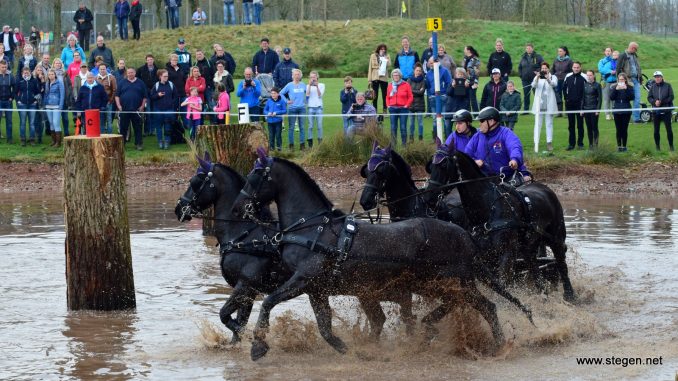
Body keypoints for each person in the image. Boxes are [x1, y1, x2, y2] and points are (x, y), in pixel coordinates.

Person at [465, 106, 530, 180]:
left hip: (507, 177)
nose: (479, 124)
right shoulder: (477, 136)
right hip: (484, 178)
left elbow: (514, 147)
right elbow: (466, 154)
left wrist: (514, 159)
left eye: (482, 121)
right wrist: (474, 162)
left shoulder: (506, 133)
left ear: (491, 121)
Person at [115, 67, 147, 150]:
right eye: (128, 73)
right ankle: (122, 145)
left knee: (138, 128)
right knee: (123, 128)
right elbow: (117, 96)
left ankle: (138, 144)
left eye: (132, 72)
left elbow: (144, 97)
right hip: (124, 110)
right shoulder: (122, 83)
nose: (130, 74)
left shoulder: (141, 83)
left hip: (136, 110)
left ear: (135, 73)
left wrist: (142, 106)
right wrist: (119, 106)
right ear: (127, 73)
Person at [531, 62, 558, 153]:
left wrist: (548, 79)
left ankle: (549, 142)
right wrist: (537, 77)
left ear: (548, 69)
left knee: (549, 124)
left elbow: (554, 84)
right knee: (537, 124)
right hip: (539, 104)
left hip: (548, 104)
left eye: (545, 68)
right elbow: (533, 85)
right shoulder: (537, 77)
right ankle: (536, 142)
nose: (544, 70)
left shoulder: (552, 77)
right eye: (542, 68)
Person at [150, 69, 179, 149]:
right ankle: (160, 141)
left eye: (167, 76)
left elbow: (176, 96)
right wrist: (157, 95)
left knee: (168, 126)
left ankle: (167, 142)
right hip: (158, 109)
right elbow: (151, 97)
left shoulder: (171, 84)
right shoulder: (156, 85)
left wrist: (173, 105)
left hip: (169, 109)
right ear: (160, 77)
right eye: (165, 76)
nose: (166, 77)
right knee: (158, 127)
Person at [647, 71, 674, 151]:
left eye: (658, 77)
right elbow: (649, 97)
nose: (657, 78)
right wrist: (654, 102)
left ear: (662, 77)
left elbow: (671, 97)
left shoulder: (668, 85)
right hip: (656, 111)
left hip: (666, 111)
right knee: (656, 130)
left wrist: (662, 102)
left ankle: (671, 146)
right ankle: (657, 147)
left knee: (669, 129)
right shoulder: (653, 86)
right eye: (655, 77)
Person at [425, 56, 452, 139]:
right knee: (435, 120)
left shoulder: (444, 71)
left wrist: (446, 94)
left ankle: (447, 138)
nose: (430, 64)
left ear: (436, 62)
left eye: (432, 62)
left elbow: (449, 83)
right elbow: (428, 86)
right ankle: (435, 139)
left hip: (443, 97)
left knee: (445, 119)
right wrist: (430, 96)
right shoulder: (428, 73)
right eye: (429, 62)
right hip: (433, 98)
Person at [279, 68, 305, 150]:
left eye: (298, 75)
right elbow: (281, 93)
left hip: (302, 108)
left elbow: (308, 93)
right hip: (292, 108)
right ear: (292, 76)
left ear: (300, 76)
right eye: (295, 74)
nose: (296, 76)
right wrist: (286, 101)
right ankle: (291, 145)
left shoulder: (303, 85)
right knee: (291, 127)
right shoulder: (289, 85)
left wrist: (306, 101)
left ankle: (302, 145)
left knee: (302, 127)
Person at [563, 61, 587, 150]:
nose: (576, 69)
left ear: (580, 68)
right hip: (570, 104)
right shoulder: (568, 77)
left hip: (580, 105)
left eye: (577, 67)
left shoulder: (584, 77)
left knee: (580, 125)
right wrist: (566, 99)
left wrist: (583, 103)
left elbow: (587, 90)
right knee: (571, 125)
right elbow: (564, 89)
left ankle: (580, 143)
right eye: (574, 67)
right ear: (572, 68)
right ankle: (571, 144)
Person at [616, 42, 643, 123]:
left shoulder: (635, 55)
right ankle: (624, 116)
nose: (636, 50)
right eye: (635, 49)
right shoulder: (622, 55)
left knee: (637, 99)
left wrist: (640, 78)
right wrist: (620, 81)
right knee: (625, 99)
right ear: (632, 47)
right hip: (627, 80)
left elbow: (638, 67)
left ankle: (636, 118)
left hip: (636, 80)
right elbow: (618, 69)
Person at [386, 68, 413, 146]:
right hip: (393, 109)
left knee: (403, 127)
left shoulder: (406, 84)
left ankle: (404, 144)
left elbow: (410, 97)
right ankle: (394, 145)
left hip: (403, 109)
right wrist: (388, 105)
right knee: (393, 127)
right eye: (394, 75)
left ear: (400, 76)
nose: (396, 77)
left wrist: (406, 105)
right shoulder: (390, 85)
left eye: (397, 75)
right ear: (392, 76)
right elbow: (387, 97)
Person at [15, 66, 41, 146]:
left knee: (32, 123)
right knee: (22, 123)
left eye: (27, 72)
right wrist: (18, 100)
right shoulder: (19, 81)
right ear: (22, 73)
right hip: (22, 104)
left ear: (30, 72)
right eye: (24, 72)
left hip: (32, 105)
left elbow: (38, 92)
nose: (26, 73)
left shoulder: (34, 81)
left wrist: (35, 100)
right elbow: (15, 92)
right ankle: (23, 139)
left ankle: (32, 139)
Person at [609, 73, 635, 152]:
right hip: (617, 110)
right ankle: (619, 146)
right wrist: (615, 89)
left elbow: (632, 97)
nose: (621, 81)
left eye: (623, 79)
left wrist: (626, 89)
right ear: (618, 80)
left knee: (624, 129)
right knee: (618, 129)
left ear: (625, 80)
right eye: (620, 80)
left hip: (626, 110)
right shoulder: (614, 87)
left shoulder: (630, 87)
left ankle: (624, 146)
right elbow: (611, 97)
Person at [518, 43, 543, 113]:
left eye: (529, 48)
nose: (528, 49)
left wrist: (538, 73)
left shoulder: (538, 57)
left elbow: (543, 66)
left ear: (532, 48)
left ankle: (538, 109)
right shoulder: (523, 57)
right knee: (526, 94)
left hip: (535, 79)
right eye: (527, 48)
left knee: (537, 94)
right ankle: (526, 110)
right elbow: (519, 67)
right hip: (525, 79)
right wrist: (521, 75)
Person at [446, 67, 471, 137]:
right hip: (451, 108)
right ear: (455, 75)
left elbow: (467, 95)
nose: (460, 76)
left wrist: (466, 87)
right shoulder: (452, 82)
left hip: (462, 109)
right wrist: (452, 86)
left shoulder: (467, 83)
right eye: (458, 74)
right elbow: (448, 93)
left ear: (464, 75)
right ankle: (449, 142)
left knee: (462, 128)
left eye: (462, 74)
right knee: (447, 127)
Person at [137, 54, 158, 135]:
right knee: (147, 112)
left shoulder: (157, 70)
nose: (150, 61)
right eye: (148, 59)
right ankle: (146, 130)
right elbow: (137, 80)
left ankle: (152, 130)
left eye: (151, 59)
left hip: (155, 94)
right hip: (145, 95)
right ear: (146, 60)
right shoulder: (141, 69)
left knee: (154, 112)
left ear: (153, 60)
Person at [52, 58, 73, 136]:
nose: (58, 64)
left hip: (64, 99)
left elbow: (70, 85)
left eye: (59, 63)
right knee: (55, 119)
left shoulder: (65, 73)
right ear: (53, 64)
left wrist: (69, 94)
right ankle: (56, 135)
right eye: (56, 63)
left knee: (65, 118)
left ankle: (66, 132)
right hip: (54, 99)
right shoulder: (51, 73)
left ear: (61, 64)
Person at [44, 69, 65, 147]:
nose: (51, 76)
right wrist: (44, 103)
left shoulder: (59, 83)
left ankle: (58, 142)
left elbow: (62, 95)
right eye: (49, 74)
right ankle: (54, 141)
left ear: (55, 75)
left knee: (56, 123)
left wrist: (60, 106)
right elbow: (46, 94)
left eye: (52, 74)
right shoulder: (47, 83)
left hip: (56, 106)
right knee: (51, 123)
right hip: (48, 105)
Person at [582, 69, 602, 149]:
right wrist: (581, 109)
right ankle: (590, 144)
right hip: (586, 109)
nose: (589, 76)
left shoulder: (597, 85)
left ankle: (596, 144)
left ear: (593, 75)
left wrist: (598, 110)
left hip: (594, 109)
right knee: (588, 127)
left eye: (590, 75)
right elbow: (582, 98)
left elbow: (600, 98)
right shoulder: (584, 85)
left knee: (594, 127)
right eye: (587, 75)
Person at [368, 43, 391, 113]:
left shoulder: (387, 56)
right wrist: (369, 80)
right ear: (378, 49)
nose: (383, 50)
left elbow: (389, 65)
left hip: (384, 78)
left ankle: (385, 110)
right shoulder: (373, 56)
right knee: (375, 95)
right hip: (375, 77)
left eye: (384, 49)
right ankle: (374, 110)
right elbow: (370, 68)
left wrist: (385, 58)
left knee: (385, 95)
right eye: (381, 49)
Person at [95, 62, 117, 134]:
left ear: (106, 69)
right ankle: (102, 136)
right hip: (99, 103)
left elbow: (114, 89)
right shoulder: (96, 78)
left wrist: (111, 100)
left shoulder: (111, 77)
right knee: (101, 120)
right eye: (101, 69)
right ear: (99, 70)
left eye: (104, 69)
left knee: (109, 120)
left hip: (108, 102)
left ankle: (110, 136)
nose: (102, 70)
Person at [305, 71, 325, 147]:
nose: (312, 78)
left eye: (314, 77)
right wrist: (310, 86)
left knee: (319, 126)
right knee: (310, 126)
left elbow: (320, 95)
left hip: (319, 108)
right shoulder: (307, 86)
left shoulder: (322, 85)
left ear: (317, 77)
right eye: (311, 77)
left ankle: (320, 143)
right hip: (310, 108)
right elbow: (307, 95)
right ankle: (310, 144)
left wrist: (316, 87)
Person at [551, 46, 573, 116]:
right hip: (557, 80)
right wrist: (551, 76)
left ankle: (567, 112)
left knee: (566, 96)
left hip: (566, 80)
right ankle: (559, 112)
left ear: (565, 52)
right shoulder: (556, 60)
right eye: (558, 51)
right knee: (558, 96)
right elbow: (553, 70)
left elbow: (572, 71)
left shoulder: (569, 61)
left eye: (560, 51)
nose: (559, 52)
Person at [264, 87, 286, 151]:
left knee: (278, 135)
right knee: (271, 135)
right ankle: (271, 148)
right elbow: (265, 110)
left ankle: (279, 148)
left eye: (274, 93)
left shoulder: (282, 101)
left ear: (278, 94)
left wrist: (276, 113)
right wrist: (268, 113)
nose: (273, 95)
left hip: (278, 121)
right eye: (272, 93)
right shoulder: (269, 101)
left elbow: (284, 110)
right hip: (270, 121)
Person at [408, 64, 426, 141]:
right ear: (414, 71)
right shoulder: (409, 80)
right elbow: (408, 92)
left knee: (420, 123)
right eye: (417, 70)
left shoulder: (423, 80)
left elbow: (421, 93)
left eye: (420, 71)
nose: (418, 72)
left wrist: (412, 91)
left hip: (420, 104)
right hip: (411, 104)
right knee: (411, 123)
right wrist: (417, 91)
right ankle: (411, 138)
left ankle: (420, 138)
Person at [597, 47, 615, 121]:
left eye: (609, 51)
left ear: (611, 52)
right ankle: (607, 114)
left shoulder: (614, 60)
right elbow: (601, 70)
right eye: (606, 51)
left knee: (614, 98)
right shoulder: (601, 61)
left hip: (614, 82)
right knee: (606, 98)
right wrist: (610, 71)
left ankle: (614, 113)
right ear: (604, 52)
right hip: (606, 81)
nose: (608, 52)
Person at [462, 46, 481, 112]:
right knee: (466, 99)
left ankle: (476, 114)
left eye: (465, 49)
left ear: (468, 50)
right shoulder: (465, 58)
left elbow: (477, 72)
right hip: (465, 82)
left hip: (472, 82)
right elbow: (463, 69)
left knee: (473, 98)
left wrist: (476, 82)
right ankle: (467, 113)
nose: (464, 50)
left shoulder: (475, 59)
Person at [0, 60, 15, 142]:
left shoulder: (10, 76)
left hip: (8, 101)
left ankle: (9, 138)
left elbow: (15, 87)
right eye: (2, 67)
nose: (4, 68)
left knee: (9, 121)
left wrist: (11, 97)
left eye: (5, 67)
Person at [32, 65, 47, 143]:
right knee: (35, 120)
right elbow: (36, 91)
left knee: (42, 120)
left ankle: (40, 137)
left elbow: (44, 91)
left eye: (41, 70)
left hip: (43, 102)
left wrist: (43, 82)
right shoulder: (34, 80)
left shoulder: (44, 80)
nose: (39, 71)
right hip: (35, 102)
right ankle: (35, 135)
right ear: (35, 71)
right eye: (38, 70)